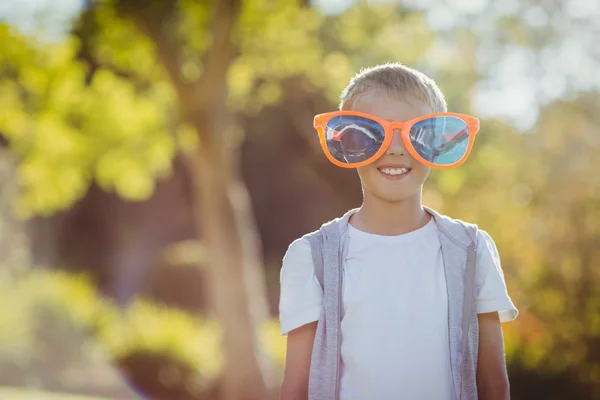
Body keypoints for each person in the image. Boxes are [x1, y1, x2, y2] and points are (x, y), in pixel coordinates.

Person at [279, 63, 518, 400]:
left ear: (437, 144)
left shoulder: (471, 249)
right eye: (371, 134)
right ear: (347, 143)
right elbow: (296, 388)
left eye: (415, 133)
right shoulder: (311, 258)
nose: (395, 149)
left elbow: (494, 384)